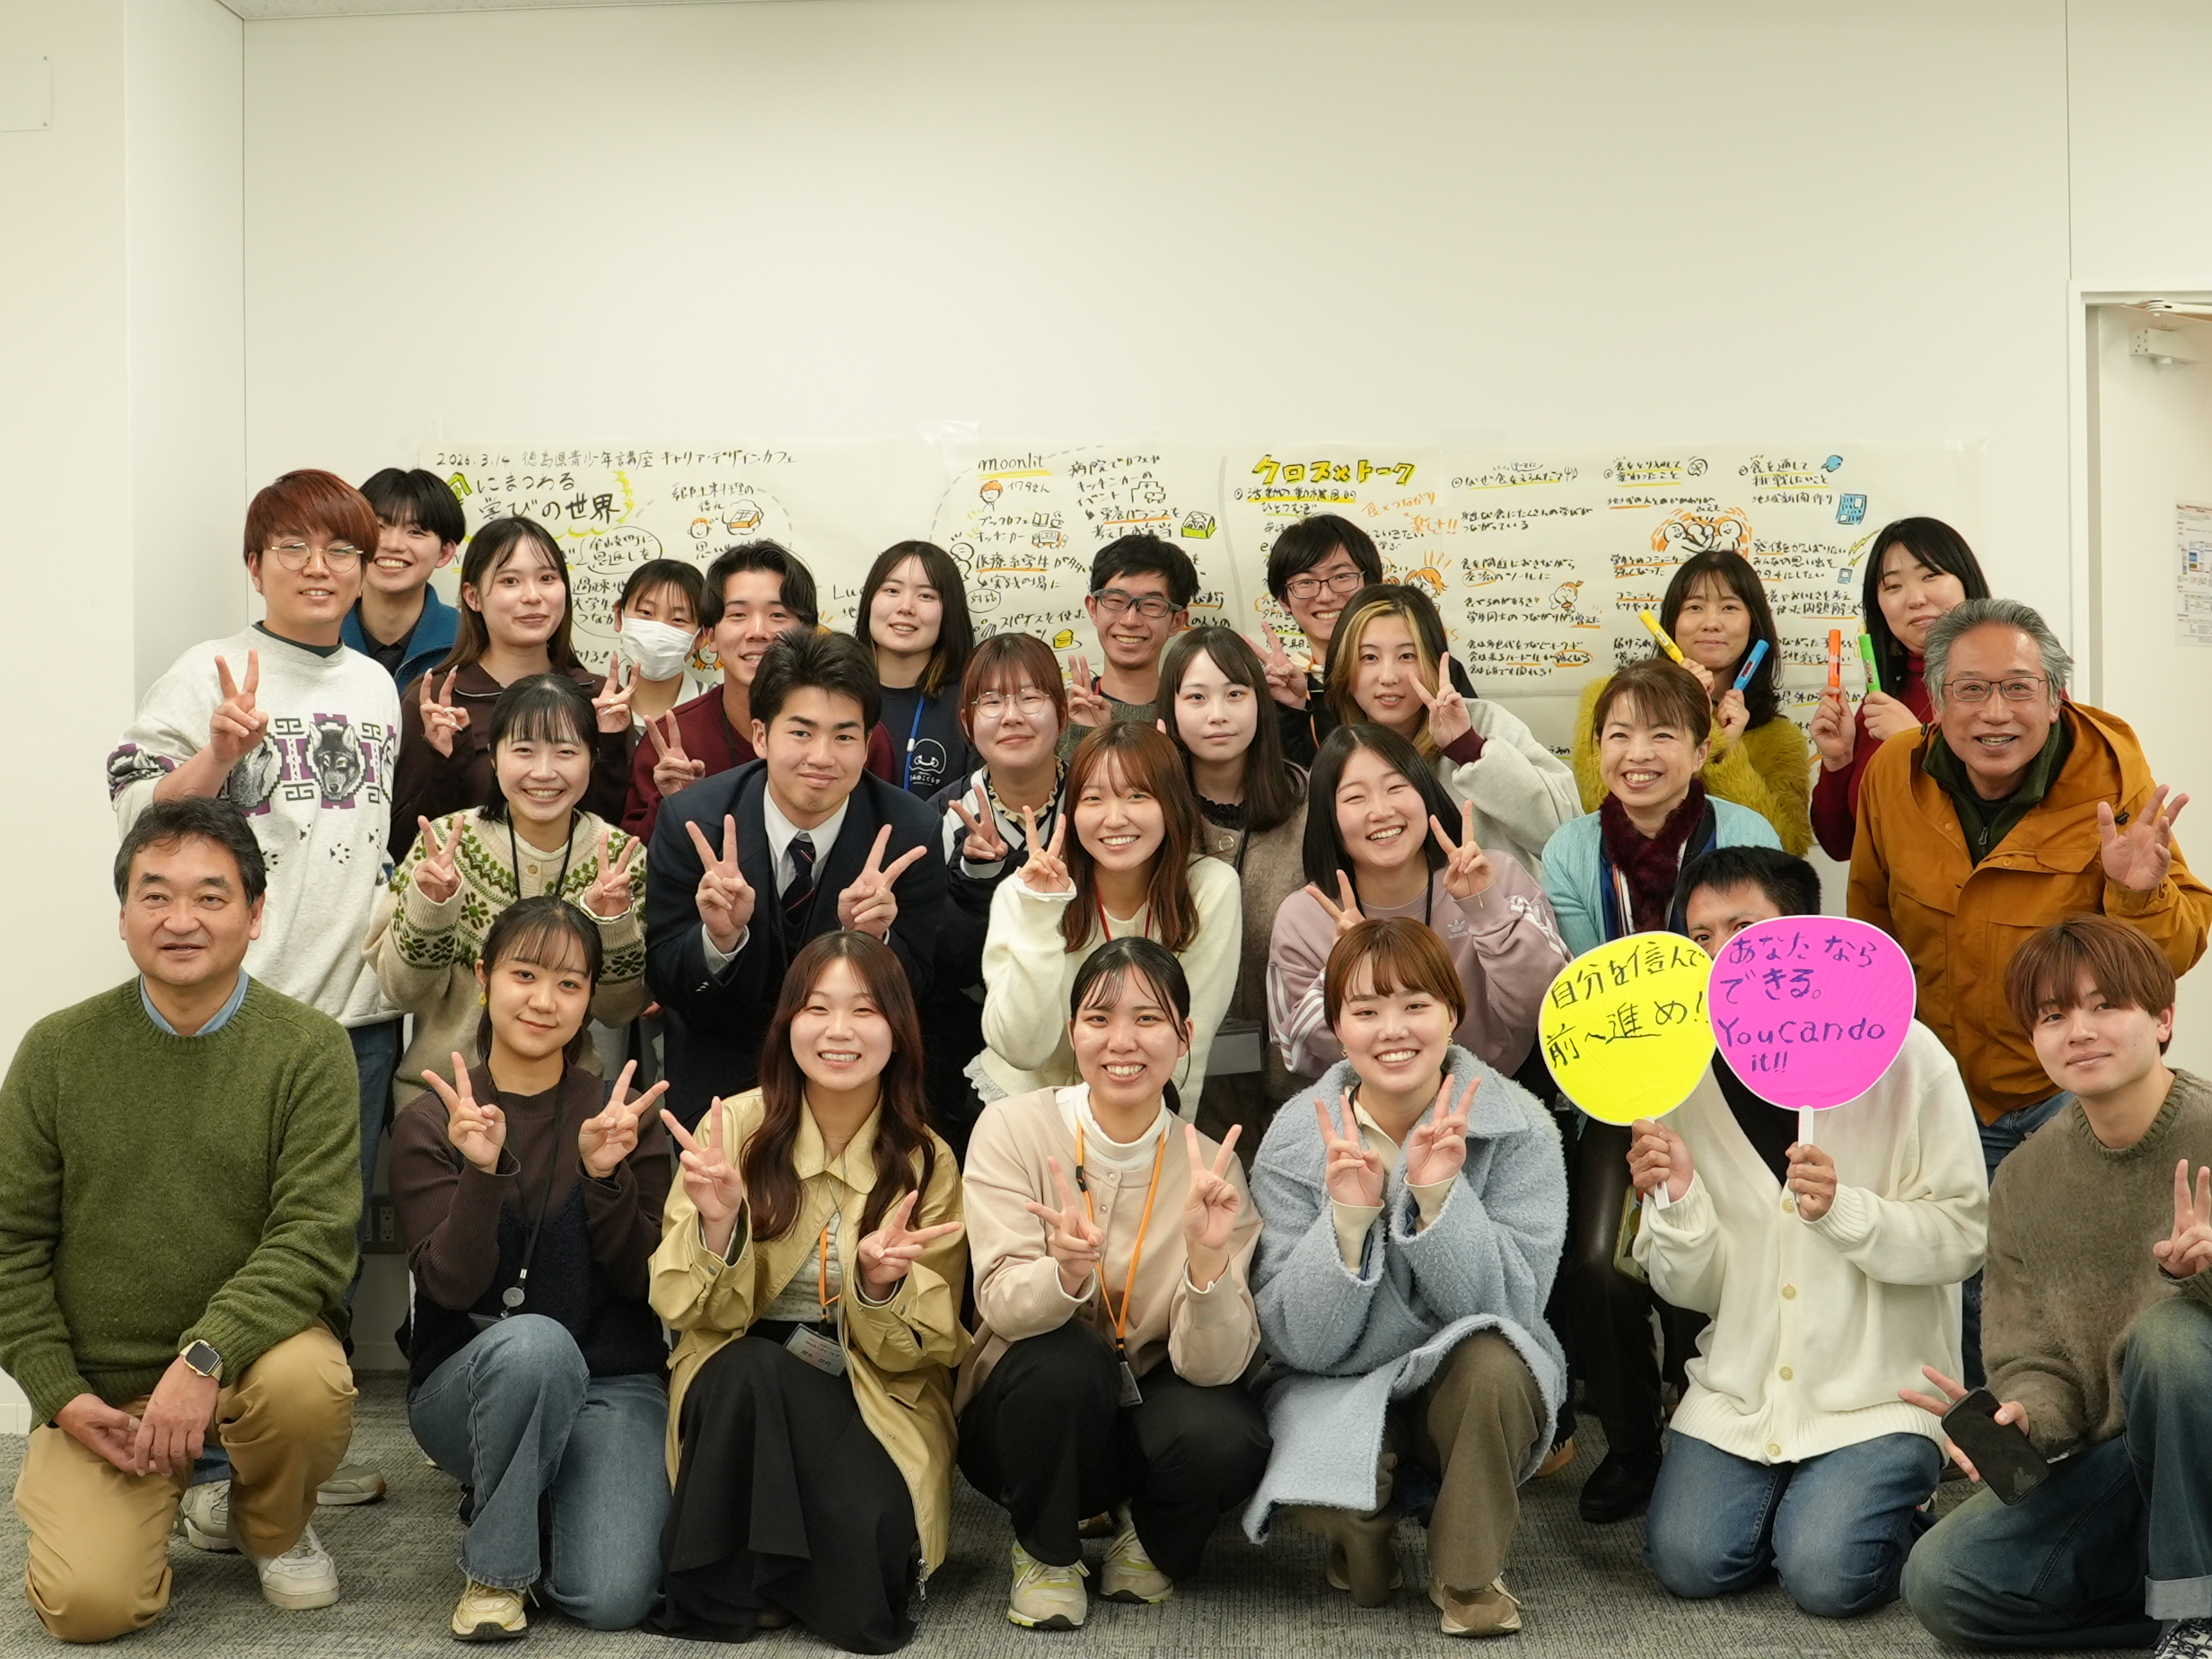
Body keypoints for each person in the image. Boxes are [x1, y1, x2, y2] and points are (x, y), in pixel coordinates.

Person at [106, 469, 398, 1507]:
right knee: (220, 1238)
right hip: (235, 1017)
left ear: (364, 570)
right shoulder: (209, 670)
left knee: (328, 1245)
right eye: (293, 549)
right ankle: (212, 1470)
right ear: (254, 564)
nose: (319, 569)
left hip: (356, 1017)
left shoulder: (377, 686)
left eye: (341, 551)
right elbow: (137, 813)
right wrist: (220, 753)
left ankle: (287, 1465)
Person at [0, 800, 359, 1639]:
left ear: (255, 914)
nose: (181, 919)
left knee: (308, 1386)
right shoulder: (56, 1052)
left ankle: (265, 1523)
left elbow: (312, 1239)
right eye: (155, 895)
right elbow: (11, 1246)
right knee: (89, 1608)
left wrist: (203, 1358)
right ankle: (159, 1497)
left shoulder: (309, 1049)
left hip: (248, 1363)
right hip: (105, 1390)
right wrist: (60, 1394)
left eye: (210, 896)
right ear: (123, 915)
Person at [1847, 597, 2210, 1368]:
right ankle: (1991, 1421)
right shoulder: (1893, 775)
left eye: (2019, 688)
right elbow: (1871, 926)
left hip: (2068, 1091)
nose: (1995, 712)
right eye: (1970, 690)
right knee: (1961, 1285)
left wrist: (2138, 893)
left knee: (2083, 1289)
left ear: (2055, 698)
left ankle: (2091, 1427)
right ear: (1935, 702)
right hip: (1945, 1086)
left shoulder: (2112, 777)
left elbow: (2174, 956)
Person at [1628, 846, 1987, 1620]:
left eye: (1743, 930)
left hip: (1877, 1397)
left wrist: (1845, 1212)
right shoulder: (1682, 1079)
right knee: (1687, 1561)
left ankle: (1873, 1506)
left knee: (1828, 1578)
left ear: (1802, 934)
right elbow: (1689, 1288)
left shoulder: (1907, 1055)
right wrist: (1679, 1202)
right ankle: (1810, 1507)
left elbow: (1963, 1236)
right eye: (1699, 938)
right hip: (1743, 1395)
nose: (1720, 957)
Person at [1243, 918, 1567, 1639]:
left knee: (1496, 1364)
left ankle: (1467, 1574)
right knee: (1324, 1467)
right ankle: (1361, 1526)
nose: (1393, 1030)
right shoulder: (1297, 1136)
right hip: (1339, 1379)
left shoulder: (1521, 1127)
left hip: (1461, 1381)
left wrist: (1439, 1200)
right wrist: (1348, 1221)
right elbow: (1294, 1341)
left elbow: (1512, 1308)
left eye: (1416, 1005)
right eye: (1365, 1010)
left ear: (1453, 1012)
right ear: (1337, 1028)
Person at [1900, 915, 2212, 1653]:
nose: (2080, 1031)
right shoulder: (2024, 1178)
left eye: (2106, 1005)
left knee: (2169, 1337)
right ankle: (2175, 1605)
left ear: (2163, 1019)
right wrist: (2022, 1417)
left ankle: (2193, 1615)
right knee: (1940, 1582)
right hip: (2124, 1464)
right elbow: (2034, 1356)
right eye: (2053, 1015)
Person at [650, 931, 968, 1653]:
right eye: (817, 1008)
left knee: (876, 1541)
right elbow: (679, 1305)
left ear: (898, 1029)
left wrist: (879, 1286)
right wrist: (720, 1225)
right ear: (787, 1023)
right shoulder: (732, 1126)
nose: (838, 1031)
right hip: (735, 1381)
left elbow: (928, 1351)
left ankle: (761, 1578)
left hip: (866, 1385)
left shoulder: (925, 1158)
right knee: (754, 1366)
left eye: (865, 1010)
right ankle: (757, 1583)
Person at [960, 938, 1266, 1629]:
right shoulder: (1013, 1128)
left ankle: (1147, 1533)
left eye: (1148, 1019)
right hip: (1029, 1418)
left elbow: (1215, 1367)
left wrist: (1207, 1264)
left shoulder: (1210, 1167)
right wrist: (1065, 1273)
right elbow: (999, 1303)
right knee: (1064, 1360)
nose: (1121, 1041)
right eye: (1099, 1019)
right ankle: (1045, 1552)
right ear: (1073, 1033)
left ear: (1185, 1037)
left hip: (1145, 1415)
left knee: (1228, 1434)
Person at [1539, 656, 1782, 1523]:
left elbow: (1764, 964)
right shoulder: (1570, 849)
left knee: (1716, 1249)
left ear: (1702, 747)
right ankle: (1634, 1443)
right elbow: (1584, 981)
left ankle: (1704, 1425)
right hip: (1621, 1085)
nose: (1637, 754)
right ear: (1597, 748)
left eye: (1662, 735)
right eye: (1619, 735)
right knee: (1598, 1266)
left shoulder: (1744, 829)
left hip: (1737, 1082)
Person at [391, 897, 672, 1640]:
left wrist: (605, 1179)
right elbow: (449, 1287)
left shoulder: (620, 1116)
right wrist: (481, 1175)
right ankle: (496, 1574)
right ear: (485, 978)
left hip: (611, 1383)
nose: (544, 1001)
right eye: (525, 975)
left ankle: (529, 1488)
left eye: (569, 984)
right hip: (472, 1386)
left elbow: (648, 1286)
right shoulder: (434, 1120)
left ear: (590, 1000)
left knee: (612, 1599)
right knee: (537, 1345)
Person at [645, 628, 948, 1128]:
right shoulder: (692, 821)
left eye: (844, 736)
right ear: (762, 736)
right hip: (720, 1076)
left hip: (854, 1084)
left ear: (868, 744)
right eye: (802, 733)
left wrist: (876, 943)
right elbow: (665, 981)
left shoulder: (911, 832)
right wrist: (719, 941)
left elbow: (920, 990)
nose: (822, 757)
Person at [368, 675, 647, 1106]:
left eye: (566, 752)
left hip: (566, 1106)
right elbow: (402, 992)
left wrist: (611, 922)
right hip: (442, 1097)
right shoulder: (445, 844)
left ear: (593, 759)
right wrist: (431, 907)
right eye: (523, 751)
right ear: (495, 758)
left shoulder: (620, 858)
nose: (544, 772)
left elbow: (618, 1010)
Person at [970, 723, 1241, 1127]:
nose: (1114, 819)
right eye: (1094, 798)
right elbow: (1023, 1051)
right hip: (1027, 1106)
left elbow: (1187, 1046)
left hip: (1142, 1111)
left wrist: (1160, 1143)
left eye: (1137, 796)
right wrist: (1040, 913)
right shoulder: (1025, 893)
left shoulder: (1209, 889)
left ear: (1172, 803)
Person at [1269, 724, 1565, 1091]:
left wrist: (1487, 910)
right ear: (1328, 817)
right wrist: (1348, 966)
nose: (1381, 811)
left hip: (1499, 1092)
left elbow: (1548, 1008)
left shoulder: (1495, 878)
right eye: (1355, 798)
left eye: (1396, 787)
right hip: (1368, 1108)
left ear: (1425, 793)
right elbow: (1301, 1055)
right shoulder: (1304, 916)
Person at [391, 516, 634, 863]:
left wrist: (608, 744)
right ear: (473, 596)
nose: (533, 596)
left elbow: (616, 835)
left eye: (547, 578)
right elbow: (401, 844)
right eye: (510, 581)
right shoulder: (437, 700)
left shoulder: (599, 698)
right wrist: (445, 763)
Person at [622, 541, 894, 843]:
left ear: (808, 631)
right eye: (738, 615)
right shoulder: (672, 741)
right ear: (710, 635)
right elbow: (637, 858)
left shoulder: (854, 736)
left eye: (778, 615)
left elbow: (888, 833)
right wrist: (676, 802)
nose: (758, 632)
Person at [1157, 626, 1310, 1154]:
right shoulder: (1150, 812)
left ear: (1260, 703)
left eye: (1235, 694)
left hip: (1298, 1066)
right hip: (1180, 1071)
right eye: (1196, 697)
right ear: (1170, 710)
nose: (1218, 714)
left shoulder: (1308, 800)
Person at [1321, 584, 1579, 880]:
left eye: (1407, 656)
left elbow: (1567, 837)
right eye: (1369, 657)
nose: (1388, 677)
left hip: (1504, 905)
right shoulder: (1340, 754)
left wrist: (1468, 748)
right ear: (1344, 667)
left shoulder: (1483, 723)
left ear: (1435, 661)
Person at [925, 633, 1067, 1159]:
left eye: (1030, 697)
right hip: (970, 1058)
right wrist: (975, 878)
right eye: (992, 702)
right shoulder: (940, 818)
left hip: (1082, 1035)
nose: (1012, 716)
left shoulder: (1098, 801)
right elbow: (941, 967)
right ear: (967, 723)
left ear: (1062, 714)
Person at [1571, 549, 1813, 855]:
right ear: (1672, 622)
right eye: (1695, 607)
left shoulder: (1781, 739)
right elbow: (1600, 807)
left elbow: (1784, 850)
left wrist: (1727, 750)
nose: (1711, 623)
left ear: (1753, 623)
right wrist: (1687, 709)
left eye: (1729, 607)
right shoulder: (1608, 701)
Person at [1809, 516, 1988, 861]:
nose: (1915, 599)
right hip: (1891, 897)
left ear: (1966, 581)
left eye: (1930, 575)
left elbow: (2017, 823)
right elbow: (1840, 845)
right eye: (1893, 586)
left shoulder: (2019, 684)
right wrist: (1838, 760)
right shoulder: (1882, 701)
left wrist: (1918, 744)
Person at [1257, 513, 1383, 765]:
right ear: (1284, 601)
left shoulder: (1422, 669)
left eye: (1341, 577)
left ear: (1371, 584)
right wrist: (1290, 712)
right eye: (1306, 581)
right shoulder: (1281, 691)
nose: (1326, 596)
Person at [853, 539, 977, 797]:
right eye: (892, 590)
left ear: (949, 611)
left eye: (926, 596)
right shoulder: (835, 691)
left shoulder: (971, 701)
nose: (906, 607)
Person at [1058, 533, 1198, 754]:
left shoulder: (1196, 713)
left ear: (1177, 621)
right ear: (1093, 609)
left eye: (1151, 604)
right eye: (1116, 601)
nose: (1130, 620)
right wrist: (1084, 733)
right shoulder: (1055, 713)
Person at [344, 466, 464, 691]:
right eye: (379, 527)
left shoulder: (468, 641)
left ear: (445, 553)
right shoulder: (319, 633)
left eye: (416, 532)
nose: (392, 545)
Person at [610, 557, 714, 729]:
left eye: (678, 619)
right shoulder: (590, 705)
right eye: (646, 612)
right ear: (619, 617)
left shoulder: (719, 711)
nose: (658, 631)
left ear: (701, 637)